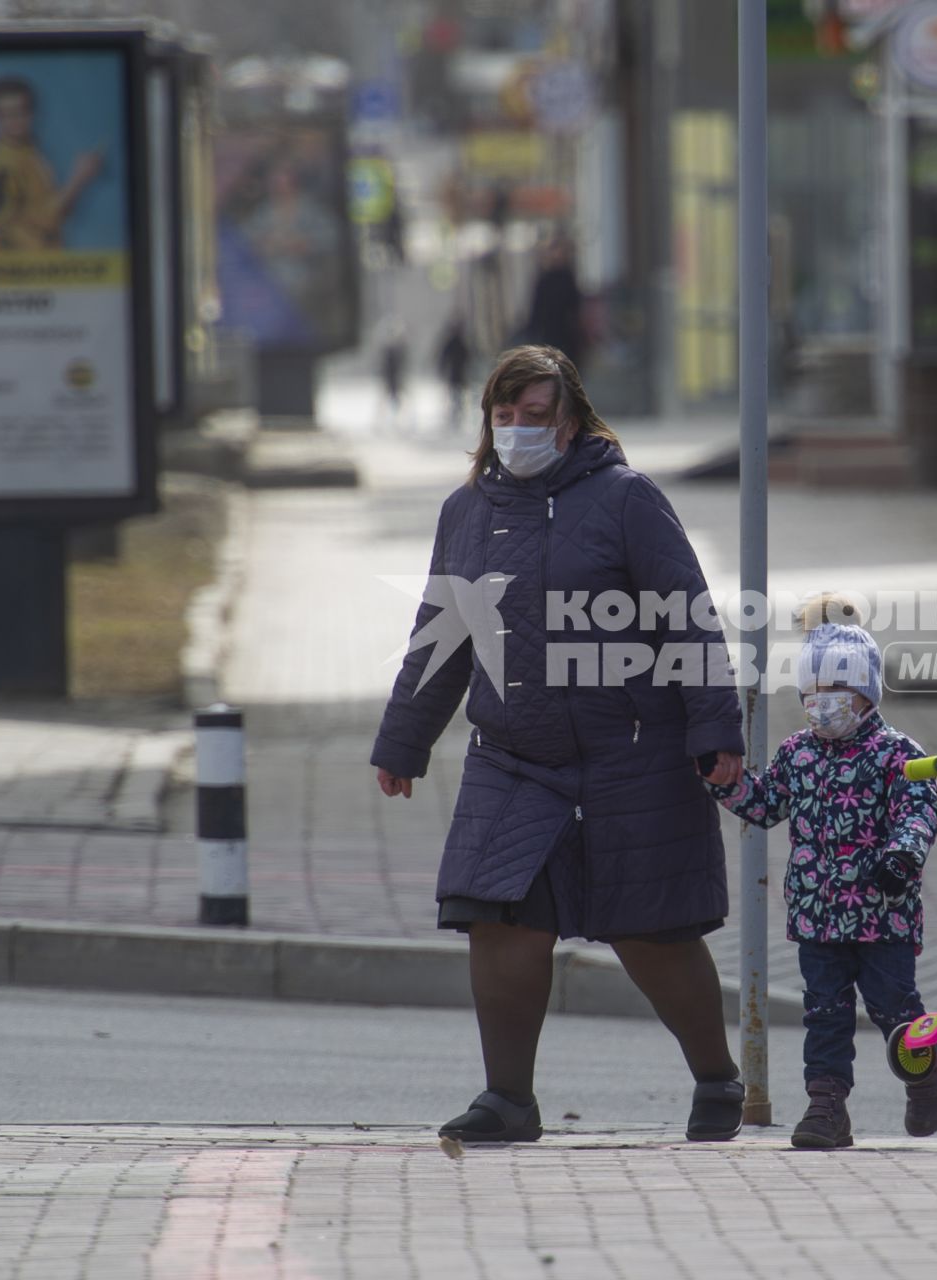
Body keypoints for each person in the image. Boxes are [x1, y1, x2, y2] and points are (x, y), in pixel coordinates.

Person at [371, 344, 748, 1144]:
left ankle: (717, 1079)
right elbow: (441, 635)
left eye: (534, 417)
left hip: (633, 751)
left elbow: (688, 612)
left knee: (651, 929)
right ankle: (507, 1100)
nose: (516, 431)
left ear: (571, 423)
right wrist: (403, 740)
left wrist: (715, 727)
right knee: (495, 913)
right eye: (503, 417)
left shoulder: (626, 500)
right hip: (514, 756)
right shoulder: (464, 512)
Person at [707, 623, 937, 1149]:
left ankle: (925, 1071)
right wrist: (726, 784)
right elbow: (766, 804)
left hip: (883, 912)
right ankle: (826, 1106)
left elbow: (920, 808)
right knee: (825, 1013)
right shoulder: (798, 753)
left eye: (837, 696)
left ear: (866, 696)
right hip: (817, 913)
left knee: (894, 1005)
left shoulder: (894, 752)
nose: (822, 707)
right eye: (812, 696)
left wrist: (903, 856)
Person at [0, 76, 104, 251]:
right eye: (5, 114)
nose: (14, 120)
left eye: (20, 111)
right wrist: (79, 178)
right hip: (28, 264)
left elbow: (57, 208)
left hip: (45, 258)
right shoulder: (2, 164)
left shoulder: (29, 149)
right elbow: (47, 220)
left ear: (32, 113)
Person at [521, 233, 586, 371]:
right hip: (548, 334)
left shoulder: (568, 278)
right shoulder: (544, 279)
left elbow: (575, 307)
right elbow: (537, 309)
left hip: (566, 336)